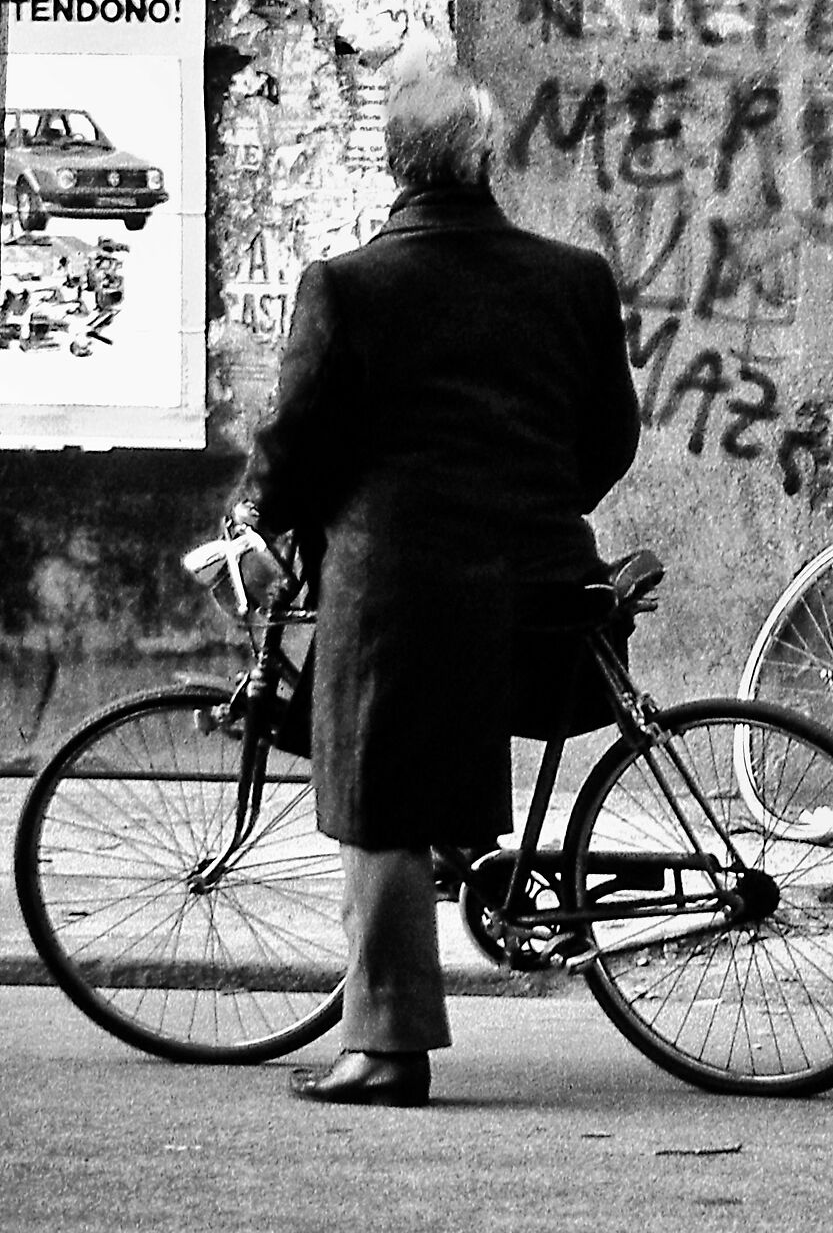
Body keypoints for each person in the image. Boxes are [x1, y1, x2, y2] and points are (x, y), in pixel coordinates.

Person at [239, 63, 642, 1104]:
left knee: (376, 797)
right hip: (543, 590)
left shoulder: (348, 286)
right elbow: (610, 439)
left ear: (393, 166)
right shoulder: (573, 277)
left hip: (403, 597)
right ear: (485, 157)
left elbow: (296, 441)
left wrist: (258, 518)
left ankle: (387, 1048)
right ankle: (469, 850)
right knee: (435, 744)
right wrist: (537, 505)